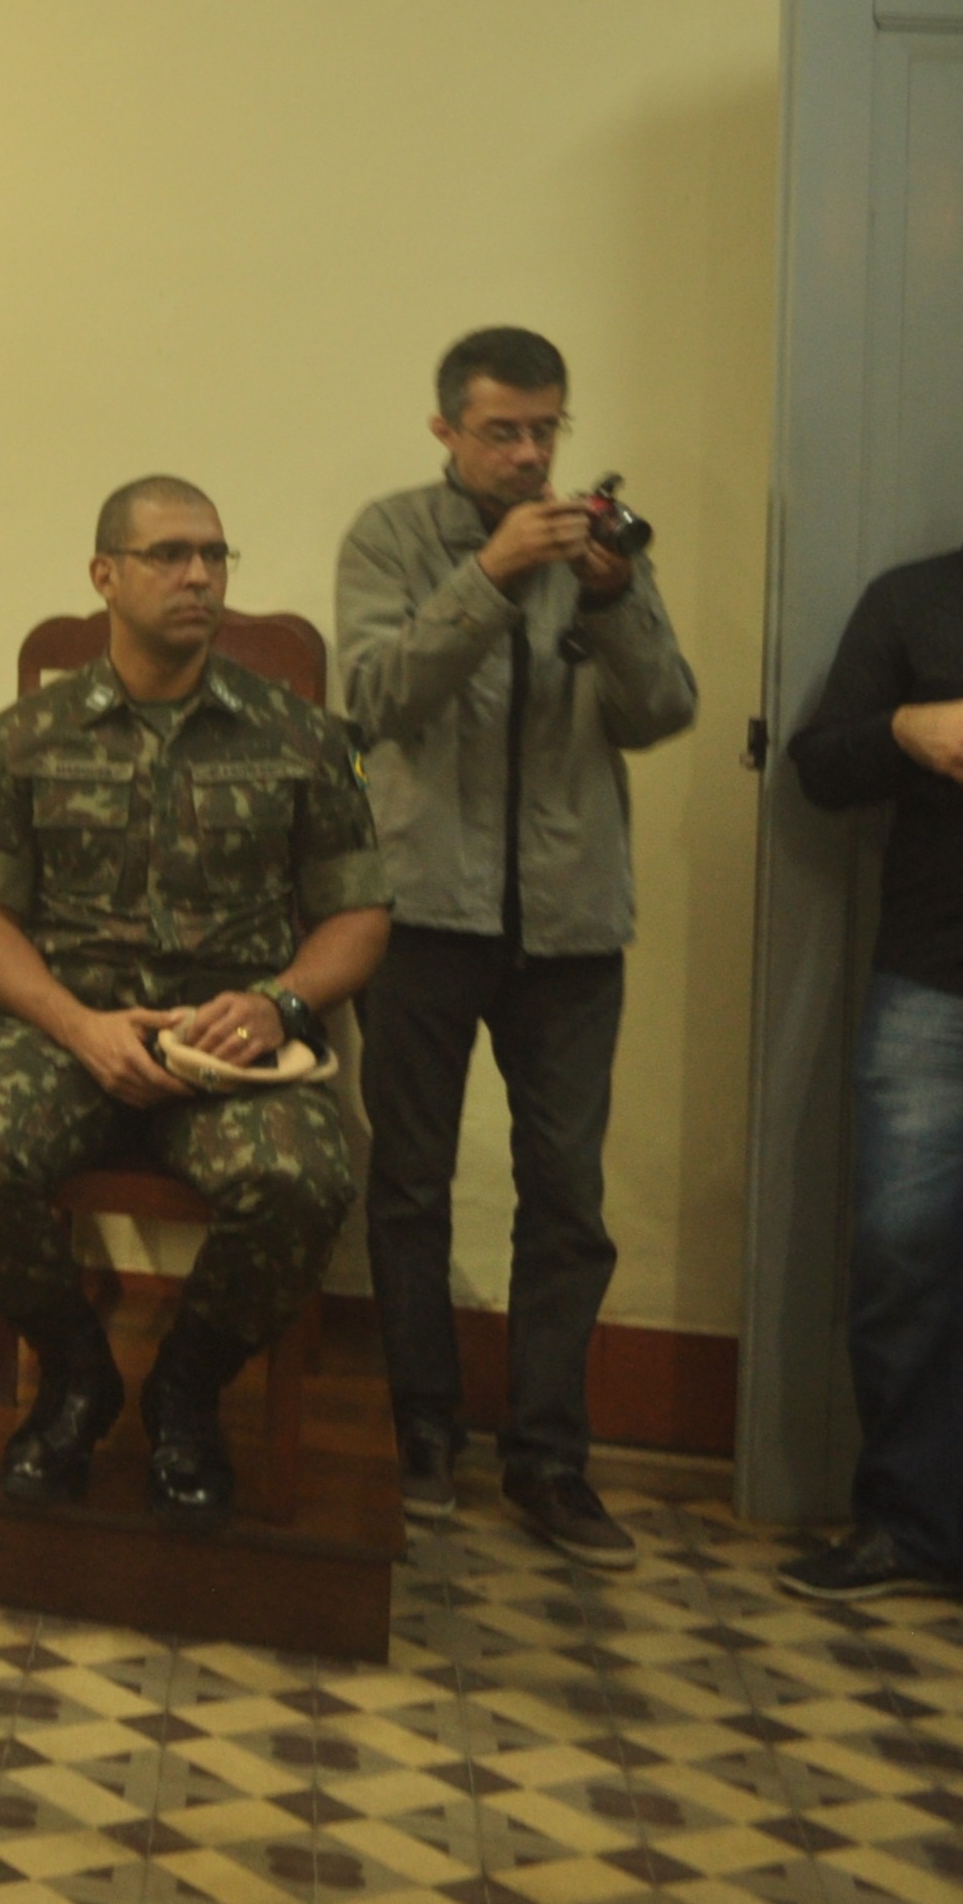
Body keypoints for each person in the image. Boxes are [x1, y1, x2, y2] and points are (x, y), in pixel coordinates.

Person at [0, 478, 394, 1527]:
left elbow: (358, 918)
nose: (199, 576)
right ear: (104, 575)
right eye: (169, 554)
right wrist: (75, 1027)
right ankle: (75, 1372)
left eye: (214, 555)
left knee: (303, 1179)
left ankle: (186, 1388)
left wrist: (277, 1003)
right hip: (67, 1032)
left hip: (232, 1042)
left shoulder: (304, 737)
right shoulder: (23, 736)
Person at [338, 327, 700, 1560]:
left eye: (546, 429)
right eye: (502, 431)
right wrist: (486, 577)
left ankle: (548, 1459)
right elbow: (374, 698)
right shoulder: (388, 537)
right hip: (419, 910)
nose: (530, 454)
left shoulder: (596, 549)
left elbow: (661, 710)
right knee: (408, 1184)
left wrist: (609, 597)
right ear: (445, 429)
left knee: (565, 1198)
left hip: (569, 921)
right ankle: (421, 1428)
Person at [782, 544, 963, 1601]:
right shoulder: (913, 599)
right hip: (932, 979)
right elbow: (817, 766)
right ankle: (905, 1524)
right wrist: (904, 730)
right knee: (901, 1256)